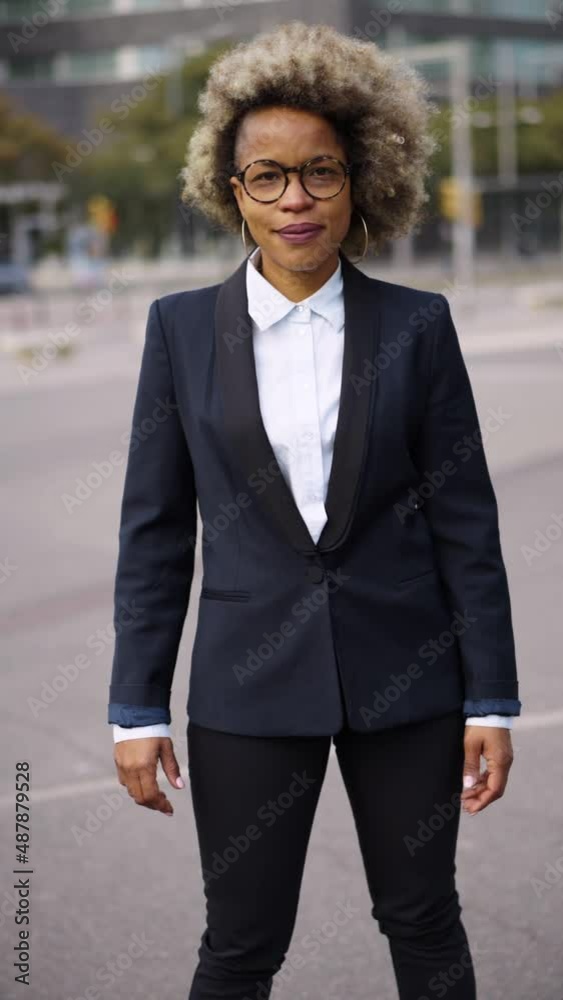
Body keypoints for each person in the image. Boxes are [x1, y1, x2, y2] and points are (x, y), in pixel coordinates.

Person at [108, 21, 521, 999]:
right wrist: (134, 708)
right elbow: (154, 533)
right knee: (239, 946)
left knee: (423, 921)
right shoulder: (178, 332)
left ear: (359, 180)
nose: (294, 199)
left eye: (319, 172)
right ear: (232, 190)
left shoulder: (417, 325)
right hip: (246, 692)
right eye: (267, 176)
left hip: (407, 684)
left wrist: (490, 698)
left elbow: (465, 524)